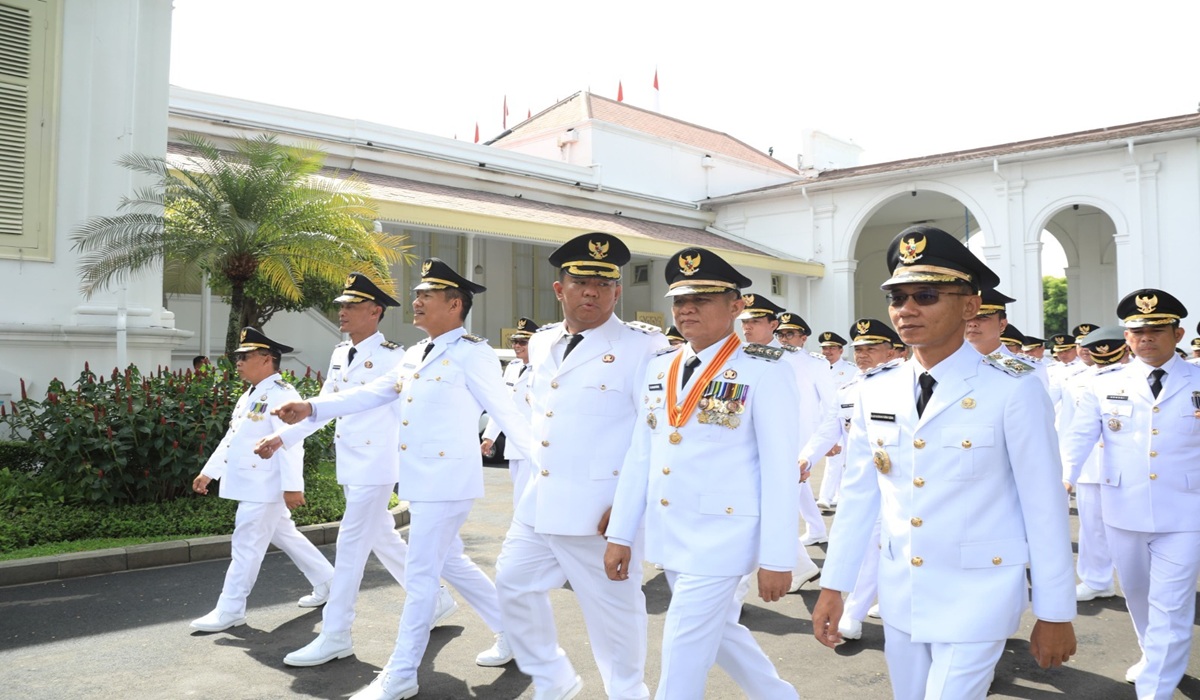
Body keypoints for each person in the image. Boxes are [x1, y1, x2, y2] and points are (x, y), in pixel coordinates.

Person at [812, 225, 1076, 700]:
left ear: (970, 306)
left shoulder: (1012, 388)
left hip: (980, 592)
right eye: (898, 297)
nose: (906, 309)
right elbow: (859, 497)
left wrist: (1055, 610)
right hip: (902, 591)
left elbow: (1044, 504)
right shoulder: (877, 388)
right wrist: (836, 585)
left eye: (927, 295)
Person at [273, 258, 531, 700]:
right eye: (418, 295)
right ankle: (517, 634)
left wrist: (547, 473)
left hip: (448, 479)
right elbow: (372, 393)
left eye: (426, 296)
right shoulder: (416, 353)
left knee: (421, 571)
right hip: (422, 479)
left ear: (454, 304)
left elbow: (510, 415)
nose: (415, 302)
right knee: (448, 562)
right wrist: (313, 408)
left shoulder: (473, 352)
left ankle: (401, 674)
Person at [605, 246, 801, 699]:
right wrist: (621, 533)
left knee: (683, 644)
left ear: (737, 306)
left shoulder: (765, 371)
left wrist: (777, 557)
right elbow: (642, 455)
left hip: (724, 534)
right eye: (680, 300)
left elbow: (778, 470)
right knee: (721, 635)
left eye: (703, 299)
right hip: (672, 531)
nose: (687, 309)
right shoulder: (660, 367)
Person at [494, 233, 666, 700]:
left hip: (601, 512)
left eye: (601, 283)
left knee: (615, 616)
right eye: (579, 281)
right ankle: (555, 679)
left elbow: (652, 438)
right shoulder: (545, 340)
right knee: (511, 584)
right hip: (539, 503)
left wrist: (628, 517)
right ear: (559, 289)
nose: (590, 291)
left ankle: (629, 693)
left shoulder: (643, 349)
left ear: (617, 292)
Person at [255, 273, 455, 667]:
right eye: (341, 305)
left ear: (375, 311)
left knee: (349, 545)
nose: (341, 311)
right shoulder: (339, 353)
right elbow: (326, 405)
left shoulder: (395, 356)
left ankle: (336, 634)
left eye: (351, 305)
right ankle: (435, 600)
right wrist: (284, 438)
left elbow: (405, 412)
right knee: (382, 536)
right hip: (352, 461)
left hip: (378, 463)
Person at [1060, 289, 1200, 698]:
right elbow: (1080, 435)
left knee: (1171, 603)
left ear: (1178, 333)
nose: (1146, 338)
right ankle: (1152, 653)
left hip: (1185, 510)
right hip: (1123, 508)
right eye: (1137, 331)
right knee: (1138, 595)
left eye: (1156, 330)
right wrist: (1065, 479)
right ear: (1127, 337)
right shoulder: (1107, 384)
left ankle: (1156, 687)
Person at [189, 328, 335, 633]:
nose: (238, 362)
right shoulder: (251, 394)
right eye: (238, 356)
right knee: (286, 536)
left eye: (246, 356)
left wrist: (293, 486)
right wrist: (209, 472)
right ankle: (330, 582)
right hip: (253, 484)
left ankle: (230, 609)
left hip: (264, 486)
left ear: (268, 359)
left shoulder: (282, 393)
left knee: (245, 546)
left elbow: (290, 440)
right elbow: (233, 438)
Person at [740, 297, 833, 588]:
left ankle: (731, 600)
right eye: (744, 321)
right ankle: (802, 566)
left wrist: (809, 455)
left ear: (773, 324)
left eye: (755, 321)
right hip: (750, 452)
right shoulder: (738, 357)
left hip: (791, 453)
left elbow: (832, 412)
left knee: (759, 516)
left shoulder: (803, 361)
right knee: (753, 515)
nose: (747, 327)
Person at [834, 318, 904, 642]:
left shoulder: (907, 383)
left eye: (871, 348)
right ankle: (857, 609)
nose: (862, 355)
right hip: (862, 478)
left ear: (892, 351)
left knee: (888, 545)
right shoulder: (851, 388)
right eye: (858, 349)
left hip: (900, 482)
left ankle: (858, 609)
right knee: (869, 544)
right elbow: (830, 427)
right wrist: (806, 456)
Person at [1058, 324, 1128, 605]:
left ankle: (1143, 582)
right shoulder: (1075, 379)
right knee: (1092, 528)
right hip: (1089, 465)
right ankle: (1097, 580)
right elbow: (1071, 426)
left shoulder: (1138, 377)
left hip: (1128, 466)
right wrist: (1066, 469)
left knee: (1136, 529)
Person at [482, 316, 539, 510]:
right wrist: (489, 437)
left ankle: (522, 533)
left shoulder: (544, 369)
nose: (517, 346)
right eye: (515, 341)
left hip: (534, 444)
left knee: (525, 497)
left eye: (523, 342)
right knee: (519, 493)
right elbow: (502, 406)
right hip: (514, 445)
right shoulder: (513, 368)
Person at [963, 288, 1049, 392]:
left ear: (1002, 324)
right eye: (968, 317)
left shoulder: (1029, 370)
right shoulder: (947, 364)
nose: (972, 323)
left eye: (982, 317)